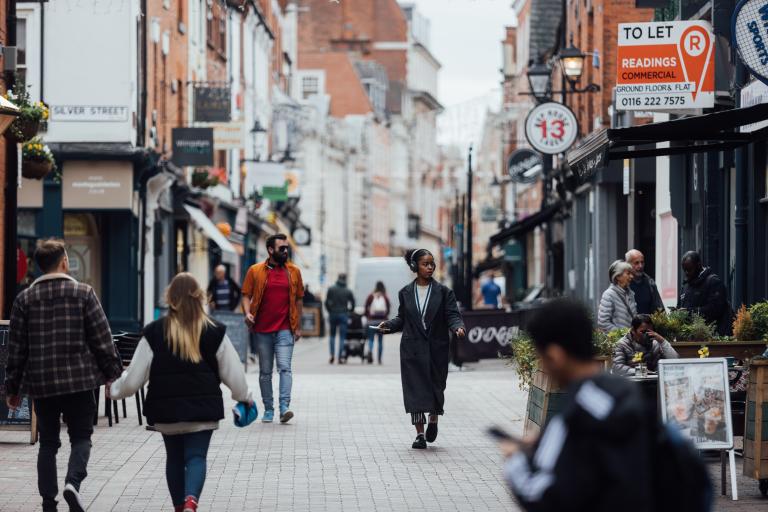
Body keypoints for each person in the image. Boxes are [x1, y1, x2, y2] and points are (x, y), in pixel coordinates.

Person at [110, 273, 253, 512]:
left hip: (167, 411)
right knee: (196, 457)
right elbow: (233, 372)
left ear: (170, 298)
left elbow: (134, 379)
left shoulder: (155, 332)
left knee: (174, 459)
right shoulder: (214, 331)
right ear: (200, 298)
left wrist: (114, 390)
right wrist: (244, 397)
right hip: (203, 411)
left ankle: (179, 507)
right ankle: (191, 502)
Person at [499, 298, 654, 511]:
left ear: (555, 356)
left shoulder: (571, 416)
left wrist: (515, 460)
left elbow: (542, 496)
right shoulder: (624, 391)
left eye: (540, 357)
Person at [5, 239, 123, 512]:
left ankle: (48, 502)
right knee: (81, 437)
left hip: (43, 383)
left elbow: (16, 349)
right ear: (64, 262)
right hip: (79, 382)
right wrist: (112, 376)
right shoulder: (84, 293)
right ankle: (73, 483)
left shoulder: (24, 299)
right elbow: (102, 340)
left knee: (48, 442)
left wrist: (12, 389)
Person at [378, 249, 465, 449]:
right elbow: (402, 318)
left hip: (437, 349)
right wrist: (389, 325)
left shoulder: (444, 292)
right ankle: (419, 434)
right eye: (425, 264)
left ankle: (433, 419)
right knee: (414, 391)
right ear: (414, 266)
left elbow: (452, 314)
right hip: (412, 349)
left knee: (436, 387)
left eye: (432, 263)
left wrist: (457, 327)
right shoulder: (405, 293)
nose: (430, 267)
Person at [241, 234, 304, 424]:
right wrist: (247, 313)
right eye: (281, 248)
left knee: (285, 368)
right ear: (270, 250)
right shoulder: (255, 271)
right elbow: (246, 295)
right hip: (262, 329)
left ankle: (285, 407)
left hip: (286, 328)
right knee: (265, 371)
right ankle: (268, 408)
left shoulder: (294, 271)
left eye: (287, 248)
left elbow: (299, 299)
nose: (285, 251)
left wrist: (298, 324)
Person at [678, 251, 732, 336]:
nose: (686, 273)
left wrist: (689, 312)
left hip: (710, 338)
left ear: (698, 265)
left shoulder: (713, 282)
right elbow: (680, 308)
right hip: (689, 339)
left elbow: (715, 310)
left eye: (689, 269)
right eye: (684, 270)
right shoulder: (685, 286)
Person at [612, 314, 679, 376]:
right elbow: (617, 368)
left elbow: (674, 360)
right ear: (633, 330)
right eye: (643, 332)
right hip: (632, 384)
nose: (647, 334)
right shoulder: (622, 344)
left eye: (649, 331)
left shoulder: (655, 343)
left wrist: (662, 341)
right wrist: (641, 371)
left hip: (653, 383)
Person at [597, 259, 637, 332]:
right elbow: (603, 322)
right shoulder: (608, 294)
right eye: (628, 273)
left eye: (631, 273)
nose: (632, 276)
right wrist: (621, 334)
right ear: (618, 276)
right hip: (617, 341)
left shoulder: (631, 294)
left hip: (630, 341)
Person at [325, 274, 355, 364]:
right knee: (342, 337)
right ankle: (340, 357)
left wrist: (330, 310)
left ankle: (332, 355)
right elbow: (353, 302)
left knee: (332, 336)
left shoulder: (331, 289)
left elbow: (326, 302)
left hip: (333, 313)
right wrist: (349, 311)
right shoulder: (348, 290)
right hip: (343, 314)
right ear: (345, 279)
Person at [625, 249, 664, 315]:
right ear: (628, 264)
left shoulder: (650, 283)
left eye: (642, 262)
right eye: (636, 263)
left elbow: (659, 309)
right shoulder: (623, 284)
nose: (640, 266)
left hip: (647, 324)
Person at [364, 281, 391, 364]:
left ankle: (370, 352)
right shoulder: (385, 297)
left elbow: (366, 307)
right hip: (382, 322)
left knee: (371, 339)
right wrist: (385, 318)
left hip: (371, 321)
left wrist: (368, 316)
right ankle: (379, 359)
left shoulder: (371, 296)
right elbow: (388, 309)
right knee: (380, 340)